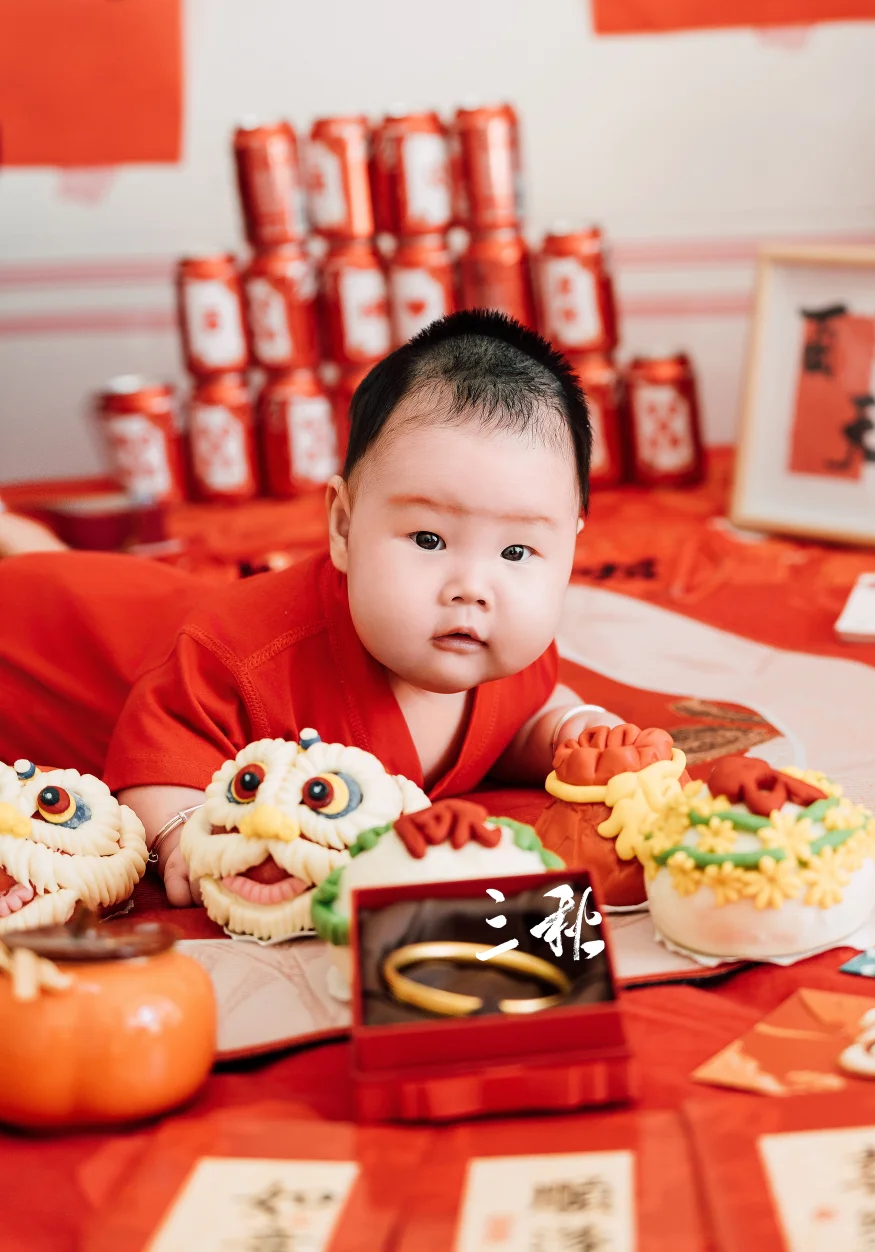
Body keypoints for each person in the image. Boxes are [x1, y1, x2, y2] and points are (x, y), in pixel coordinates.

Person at [0, 311, 622, 911]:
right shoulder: (243, 660)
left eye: (517, 551)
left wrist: (567, 731)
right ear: (344, 527)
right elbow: (157, 754)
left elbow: (518, 721)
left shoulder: (508, 645)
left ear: (571, 546)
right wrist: (183, 832)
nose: (472, 588)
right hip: (43, 635)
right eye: (429, 539)